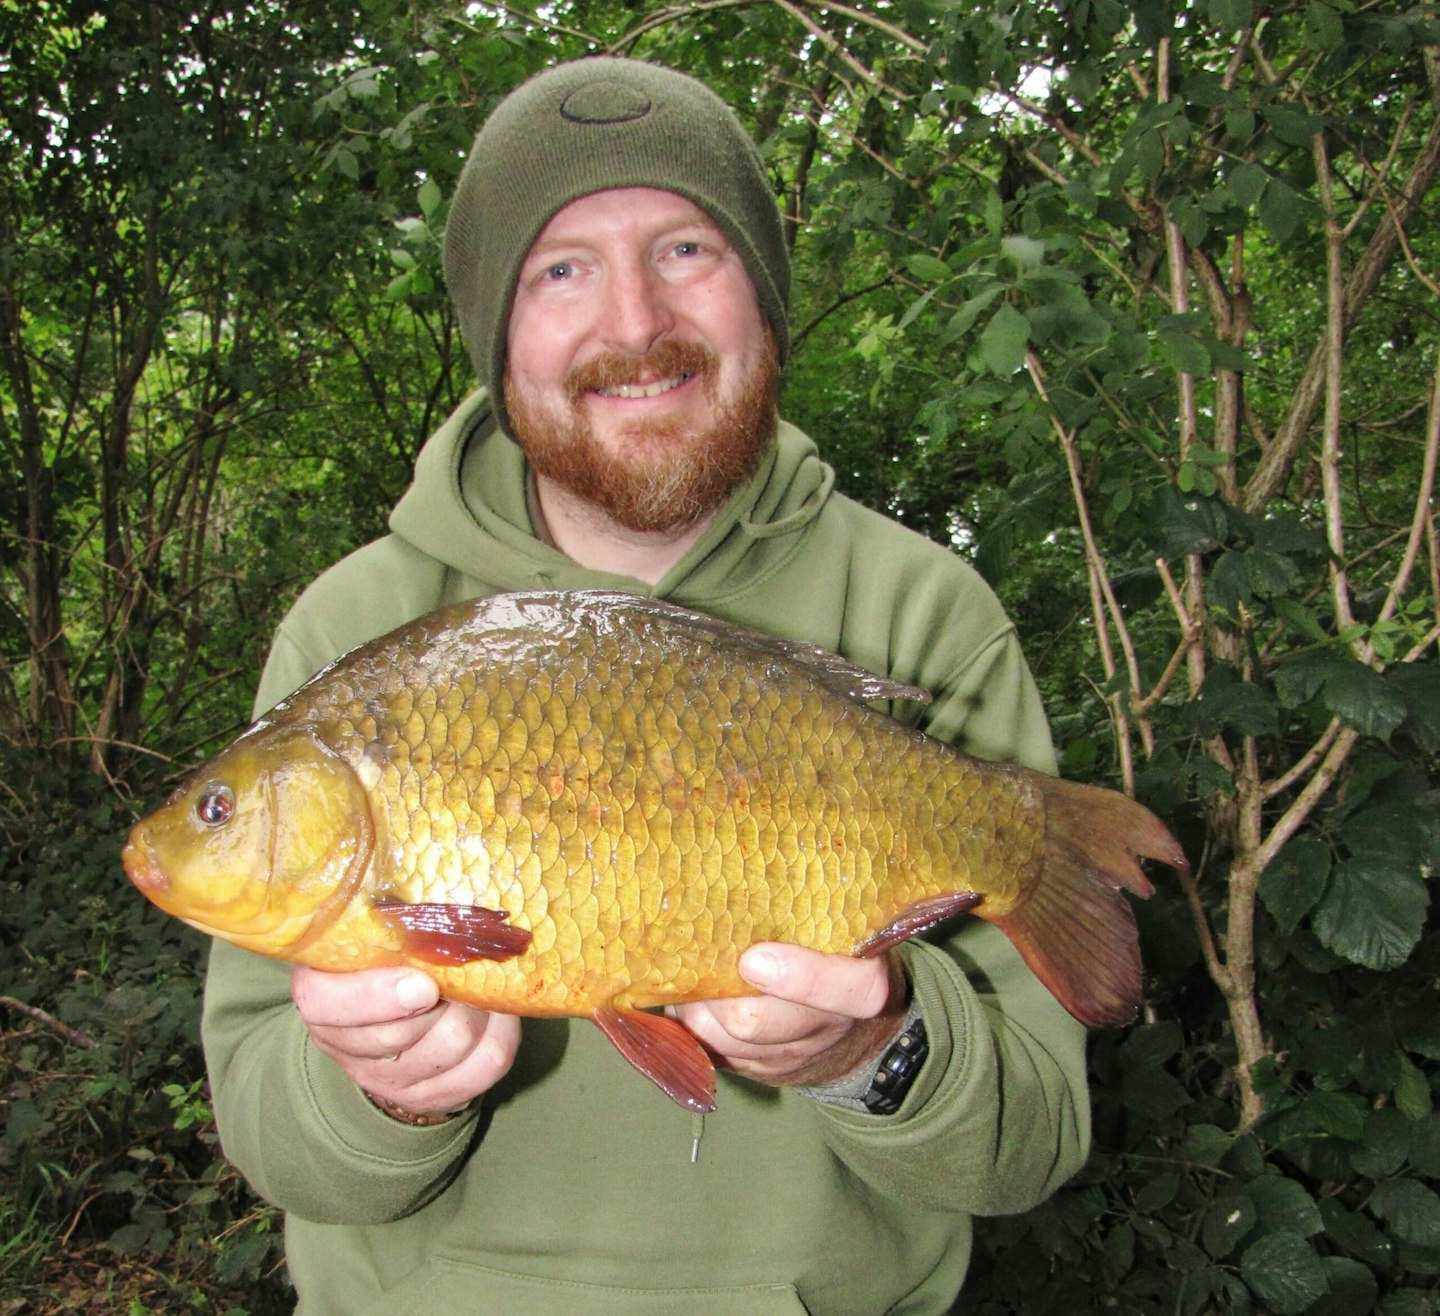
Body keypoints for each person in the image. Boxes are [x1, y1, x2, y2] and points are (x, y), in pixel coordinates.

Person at [202, 56, 1090, 1315]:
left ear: (766, 298)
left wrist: (870, 1046)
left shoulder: (927, 620)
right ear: (494, 329)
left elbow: (1032, 1147)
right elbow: (274, 1143)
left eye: (685, 249)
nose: (634, 322)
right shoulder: (352, 631)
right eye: (560, 267)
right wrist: (381, 1087)